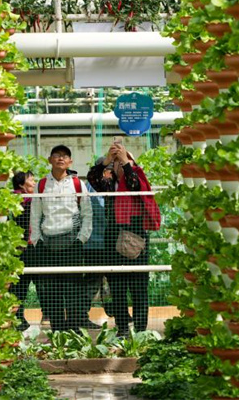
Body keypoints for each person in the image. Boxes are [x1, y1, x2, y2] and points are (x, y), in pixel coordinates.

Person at [87, 141, 160, 336]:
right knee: (117, 285)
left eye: (123, 160)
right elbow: (93, 179)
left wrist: (126, 162)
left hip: (136, 233)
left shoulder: (136, 175)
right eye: (117, 161)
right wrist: (107, 161)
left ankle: (141, 330)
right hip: (113, 234)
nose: (119, 163)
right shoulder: (108, 181)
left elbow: (135, 183)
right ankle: (122, 330)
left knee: (138, 286)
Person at [30, 145, 92, 333]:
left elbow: (87, 214)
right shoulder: (41, 185)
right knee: (52, 291)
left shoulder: (77, 184)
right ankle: (57, 331)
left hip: (72, 244)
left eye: (65, 156)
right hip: (47, 245)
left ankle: (74, 331)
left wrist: (81, 239)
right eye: (57, 155)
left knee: (73, 290)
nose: (61, 158)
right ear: (50, 160)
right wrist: (37, 240)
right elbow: (35, 215)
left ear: (70, 161)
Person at [8, 171, 46, 331]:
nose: (34, 182)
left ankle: (45, 315)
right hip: (24, 247)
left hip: (31, 245)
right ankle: (17, 317)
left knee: (36, 282)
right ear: (22, 184)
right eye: (31, 180)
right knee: (23, 283)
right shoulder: (21, 200)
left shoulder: (30, 199)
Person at [79, 160, 109, 330]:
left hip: (102, 242)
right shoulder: (90, 189)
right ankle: (81, 316)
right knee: (92, 280)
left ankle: (116, 312)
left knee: (103, 279)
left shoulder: (101, 187)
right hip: (95, 243)